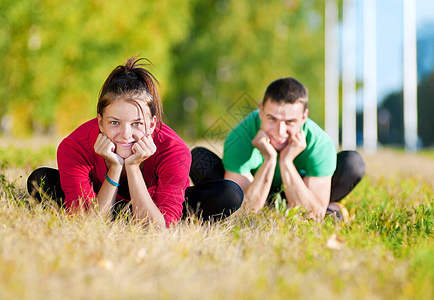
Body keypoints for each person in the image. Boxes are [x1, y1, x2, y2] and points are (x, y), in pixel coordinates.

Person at [27, 56, 243, 228]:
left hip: (154, 203)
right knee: (41, 180)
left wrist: (132, 167)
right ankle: (117, 211)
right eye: (114, 122)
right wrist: (114, 170)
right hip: (100, 197)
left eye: (137, 123)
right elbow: (88, 226)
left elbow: (158, 229)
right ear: (99, 122)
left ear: (152, 125)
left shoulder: (174, 149)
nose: (125, 134)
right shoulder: (74, 146)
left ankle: (127, 213)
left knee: (229, 193)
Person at [190, 77, 365, 220]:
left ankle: (321, 204)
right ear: (260, 110)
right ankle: (330, 210)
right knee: (199, 159)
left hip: (300, 187)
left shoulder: (320, 143)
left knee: (352, 163)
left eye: (290, 122)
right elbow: (243, 211)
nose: (280, 132)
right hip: (255, 188)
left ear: (304, 117)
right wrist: (269, 159)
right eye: (272, 119)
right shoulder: (239, 137)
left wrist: (286, 161)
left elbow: (313, 216)